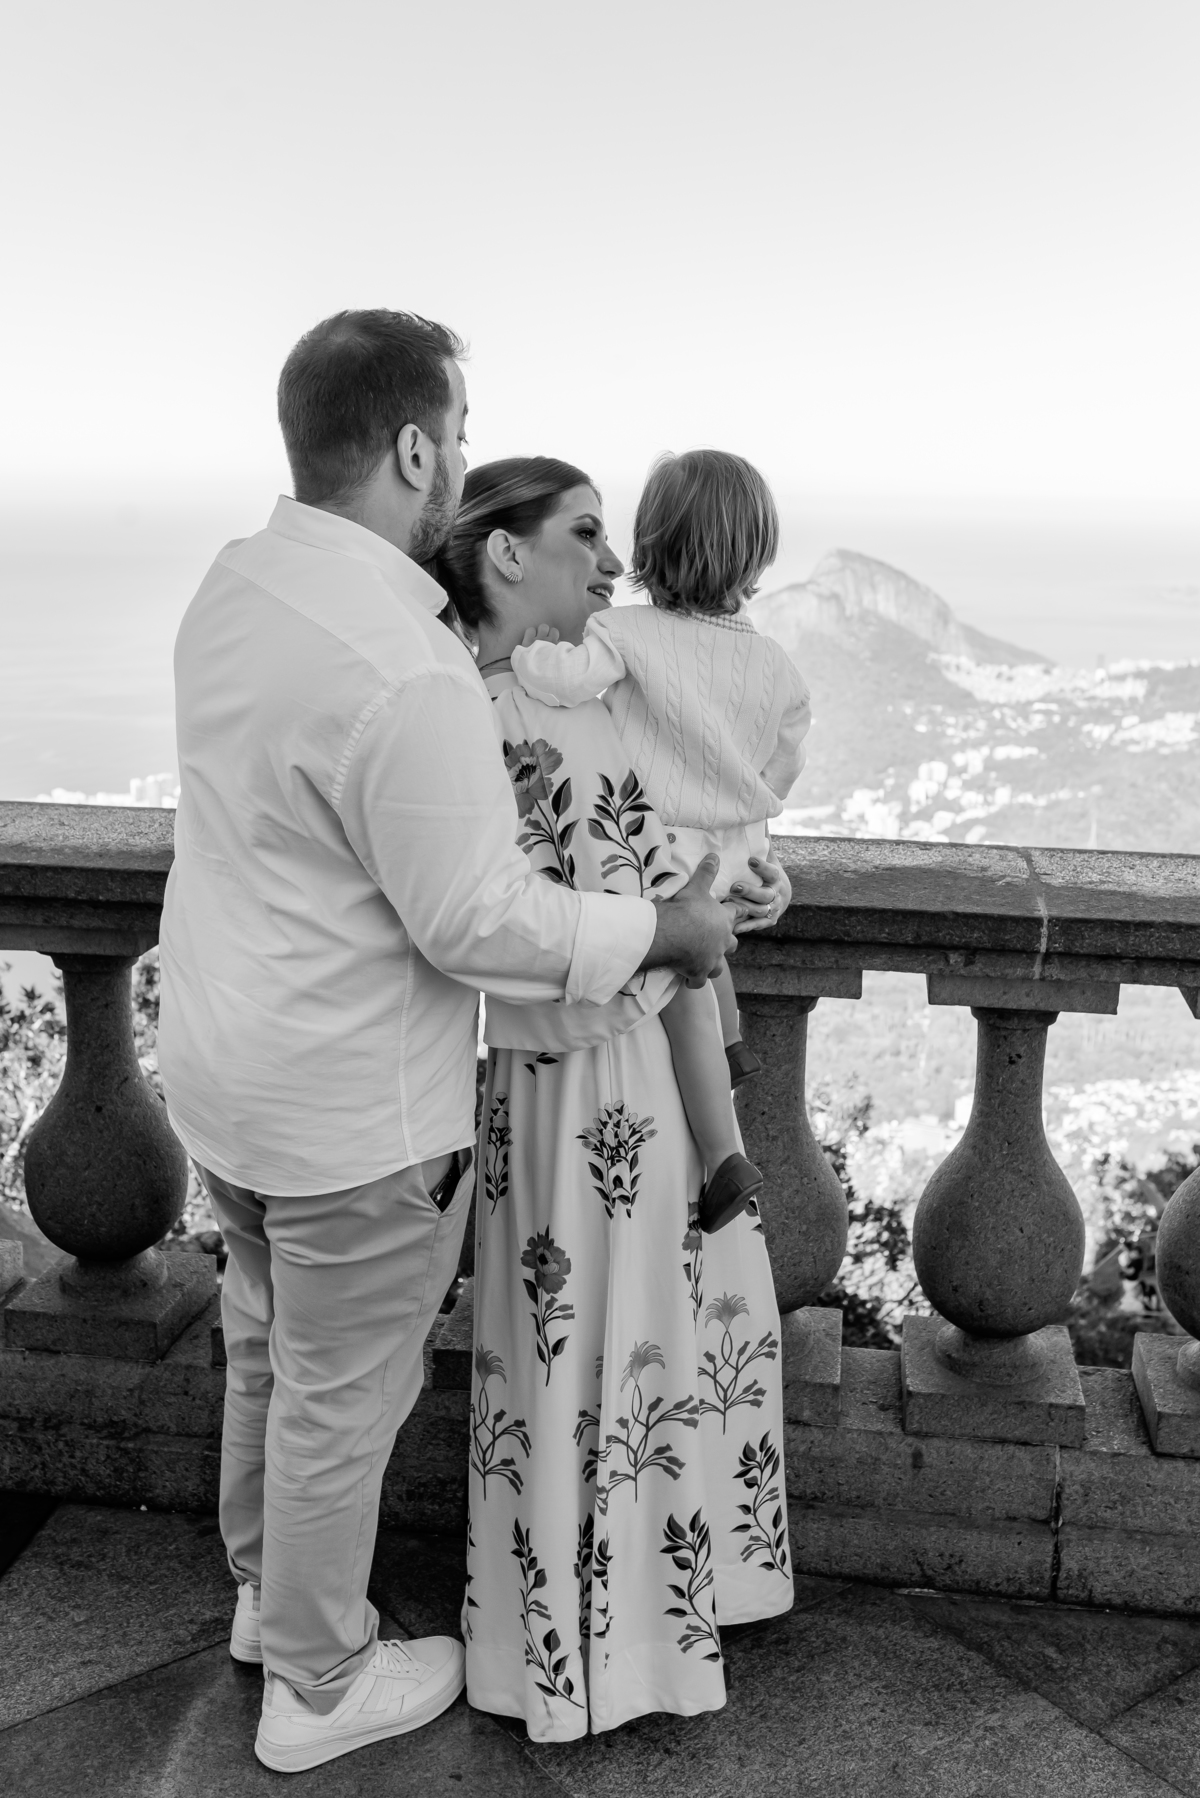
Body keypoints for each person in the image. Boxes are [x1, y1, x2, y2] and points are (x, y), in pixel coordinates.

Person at [156, 312, 737, 1775]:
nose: (465, 458)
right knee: (344, 1395)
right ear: (414, 447)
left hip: (224, 1065)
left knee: (267, 1354)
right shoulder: (406, 669)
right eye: (461, 431)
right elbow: (481, 922)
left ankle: (263, 1602)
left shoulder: (233, 588)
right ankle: (319, 1676)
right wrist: (660, 936)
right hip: (351, 1102)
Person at [436, 457, 795, 1744]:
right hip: (584, 1061)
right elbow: (525, 904)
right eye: (586, 537)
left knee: (604, 1348)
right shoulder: (484, 710)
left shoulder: (578, 693)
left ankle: (592, 1642)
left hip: (575, 1068)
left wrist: (742, 896)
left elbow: (689, 841)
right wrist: (698, 915)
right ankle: (606, 1643)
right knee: (599, 1343)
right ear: (505, 554)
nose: (613, 565)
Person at [511, 448, 811, 1232]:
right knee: (713, 974)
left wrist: (527, 651)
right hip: (736, 845)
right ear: (756, 552)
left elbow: (561, 681)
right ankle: (736, 1045)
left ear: (651, 544)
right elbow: (781, 766)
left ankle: (722, 1154)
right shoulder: (776, 666)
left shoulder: (626, 632)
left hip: (659, 853)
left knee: (682, 984)